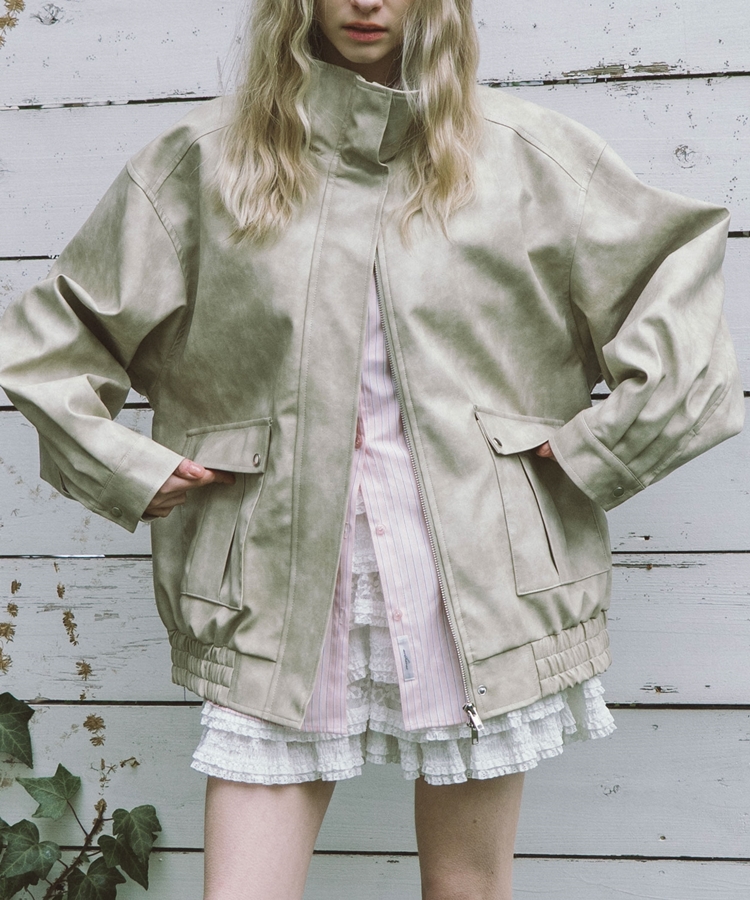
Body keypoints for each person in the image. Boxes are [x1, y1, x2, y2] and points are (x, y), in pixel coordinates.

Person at [0, 1, 743, 897]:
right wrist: (123, 467)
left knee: (466, 888)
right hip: (273, 582)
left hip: (479, 580)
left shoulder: (524, 158)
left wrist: (603, 450)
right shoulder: (207, 164)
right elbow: (47, 345)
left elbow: (678, 285)